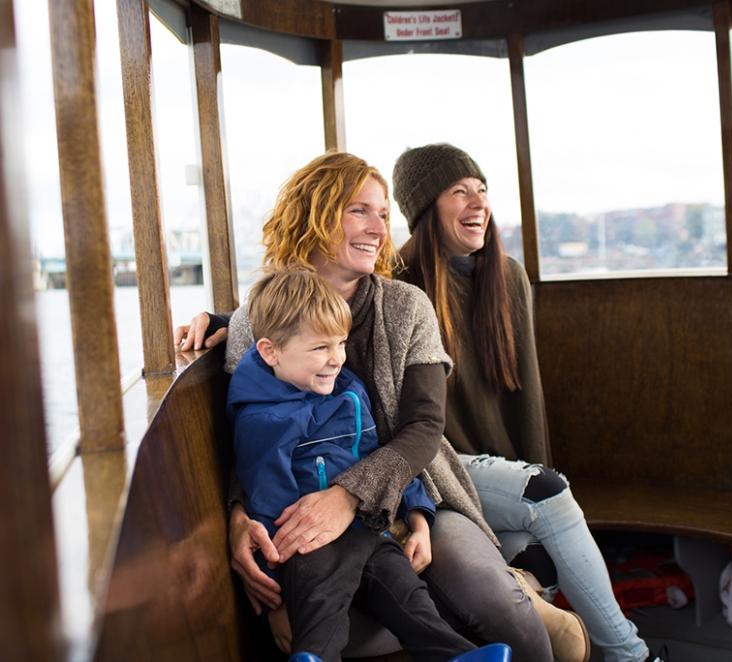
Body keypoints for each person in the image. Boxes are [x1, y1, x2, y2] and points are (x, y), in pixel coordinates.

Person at [176, 152, 585, 660]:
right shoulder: (254, 320)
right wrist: (239, 515)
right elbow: (251, 436)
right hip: (300, 510)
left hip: (418, 489)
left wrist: (355, 496)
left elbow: (423, 427)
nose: (378, 228)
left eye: (384, 214)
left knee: (498, 606)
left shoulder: (406, 305)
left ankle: (528, 603)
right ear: (315, 216)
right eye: (359, 211)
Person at [391, 143, 666, 662]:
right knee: (546, 499)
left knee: (539, 549)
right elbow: (309, 301)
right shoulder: (394, 284)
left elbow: (525, 396)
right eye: (458, 191)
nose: (477, 202)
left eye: (482, 189)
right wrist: (226, 324)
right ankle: (631, 655)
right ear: (425, 209)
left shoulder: (506, 275)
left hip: (493, 474)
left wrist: (535, 477)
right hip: (435, 466)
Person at [227, 266, 476, 662]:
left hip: (366, 531)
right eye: (320, 348)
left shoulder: (347, 392)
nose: (336, 359)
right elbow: (266, 505)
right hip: (308, 548)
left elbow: (378, 458)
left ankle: (459, 656)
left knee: (410, 596)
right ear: (270, 352)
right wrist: (276, 604)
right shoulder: (264, 419)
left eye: (340, 344)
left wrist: (417, 514)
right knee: (325, 607)